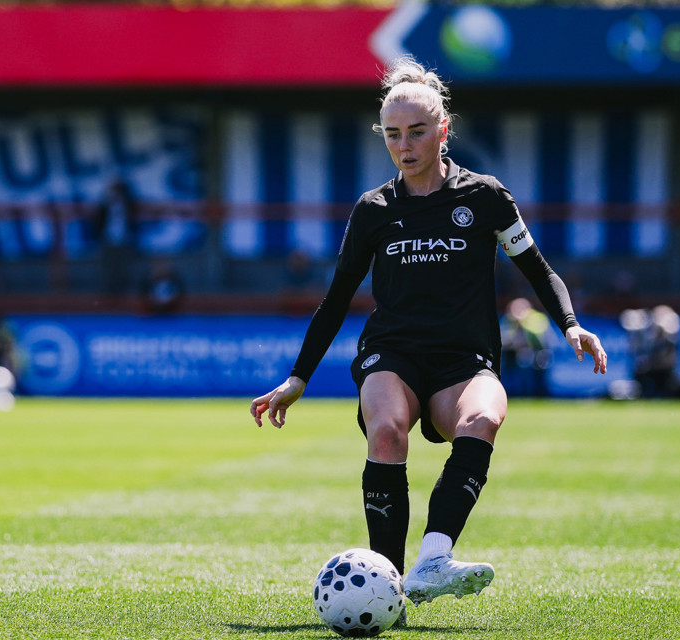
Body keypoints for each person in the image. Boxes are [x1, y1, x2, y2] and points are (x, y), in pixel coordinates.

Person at [250, 57, 607, 615]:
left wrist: (571, 324)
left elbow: (537, 268)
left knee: (483, 418)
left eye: (417, 132)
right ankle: (385, 587)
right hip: (391, 354)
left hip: (464, 359)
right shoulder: (373, 210)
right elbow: (336, 299)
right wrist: (298, 377)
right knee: (387, 430)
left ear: (443, 130)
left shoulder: (486, 197)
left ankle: (434, 560)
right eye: (392, 134)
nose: (404, 145)